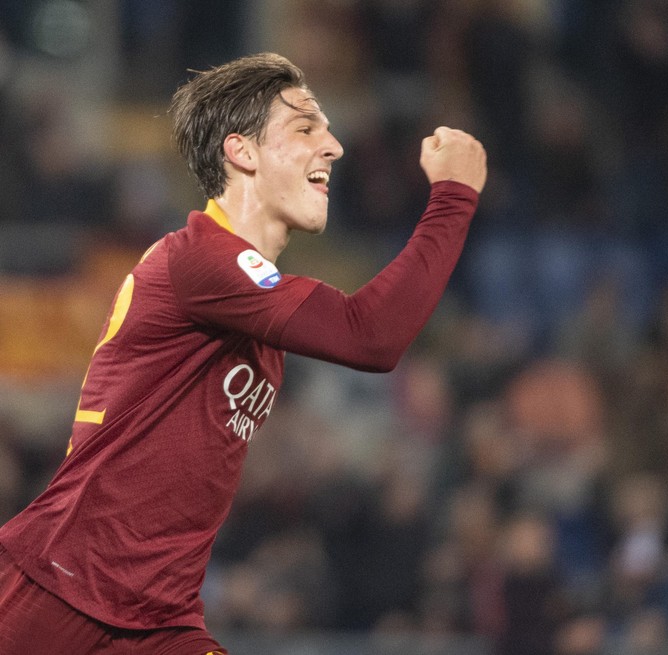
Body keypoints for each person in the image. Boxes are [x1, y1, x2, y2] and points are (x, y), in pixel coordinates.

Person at [0, 52, 486, 654]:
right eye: (306, 127)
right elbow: (371, 335)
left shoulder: (251, 301)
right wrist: (453, 198)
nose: (333, 147)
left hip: (159, 618)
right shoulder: (201, 259)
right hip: (59, 592)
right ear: (242, 152)